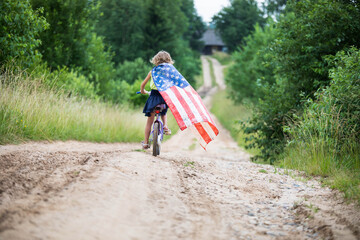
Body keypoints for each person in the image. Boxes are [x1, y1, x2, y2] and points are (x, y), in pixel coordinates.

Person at [140, 50, 172, 149]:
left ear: (156, 60)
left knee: (150, 121)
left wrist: (143, 91)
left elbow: (143, 84)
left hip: (153, 97)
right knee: (164, 112)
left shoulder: (152, 71)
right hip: (163, 97)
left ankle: (145, 143)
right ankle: (165, 126)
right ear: (168, 61)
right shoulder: (170, 72)